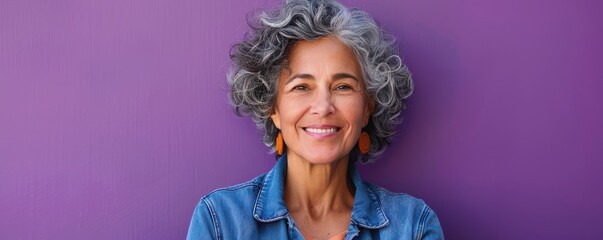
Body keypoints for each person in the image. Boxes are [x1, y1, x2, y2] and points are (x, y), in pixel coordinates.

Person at [187, 0, 444, 239]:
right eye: (301, 87)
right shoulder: (219, 219)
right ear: (272, 108)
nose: (323, 107)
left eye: (343, 86)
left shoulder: (413, 225)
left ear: (367, 107)